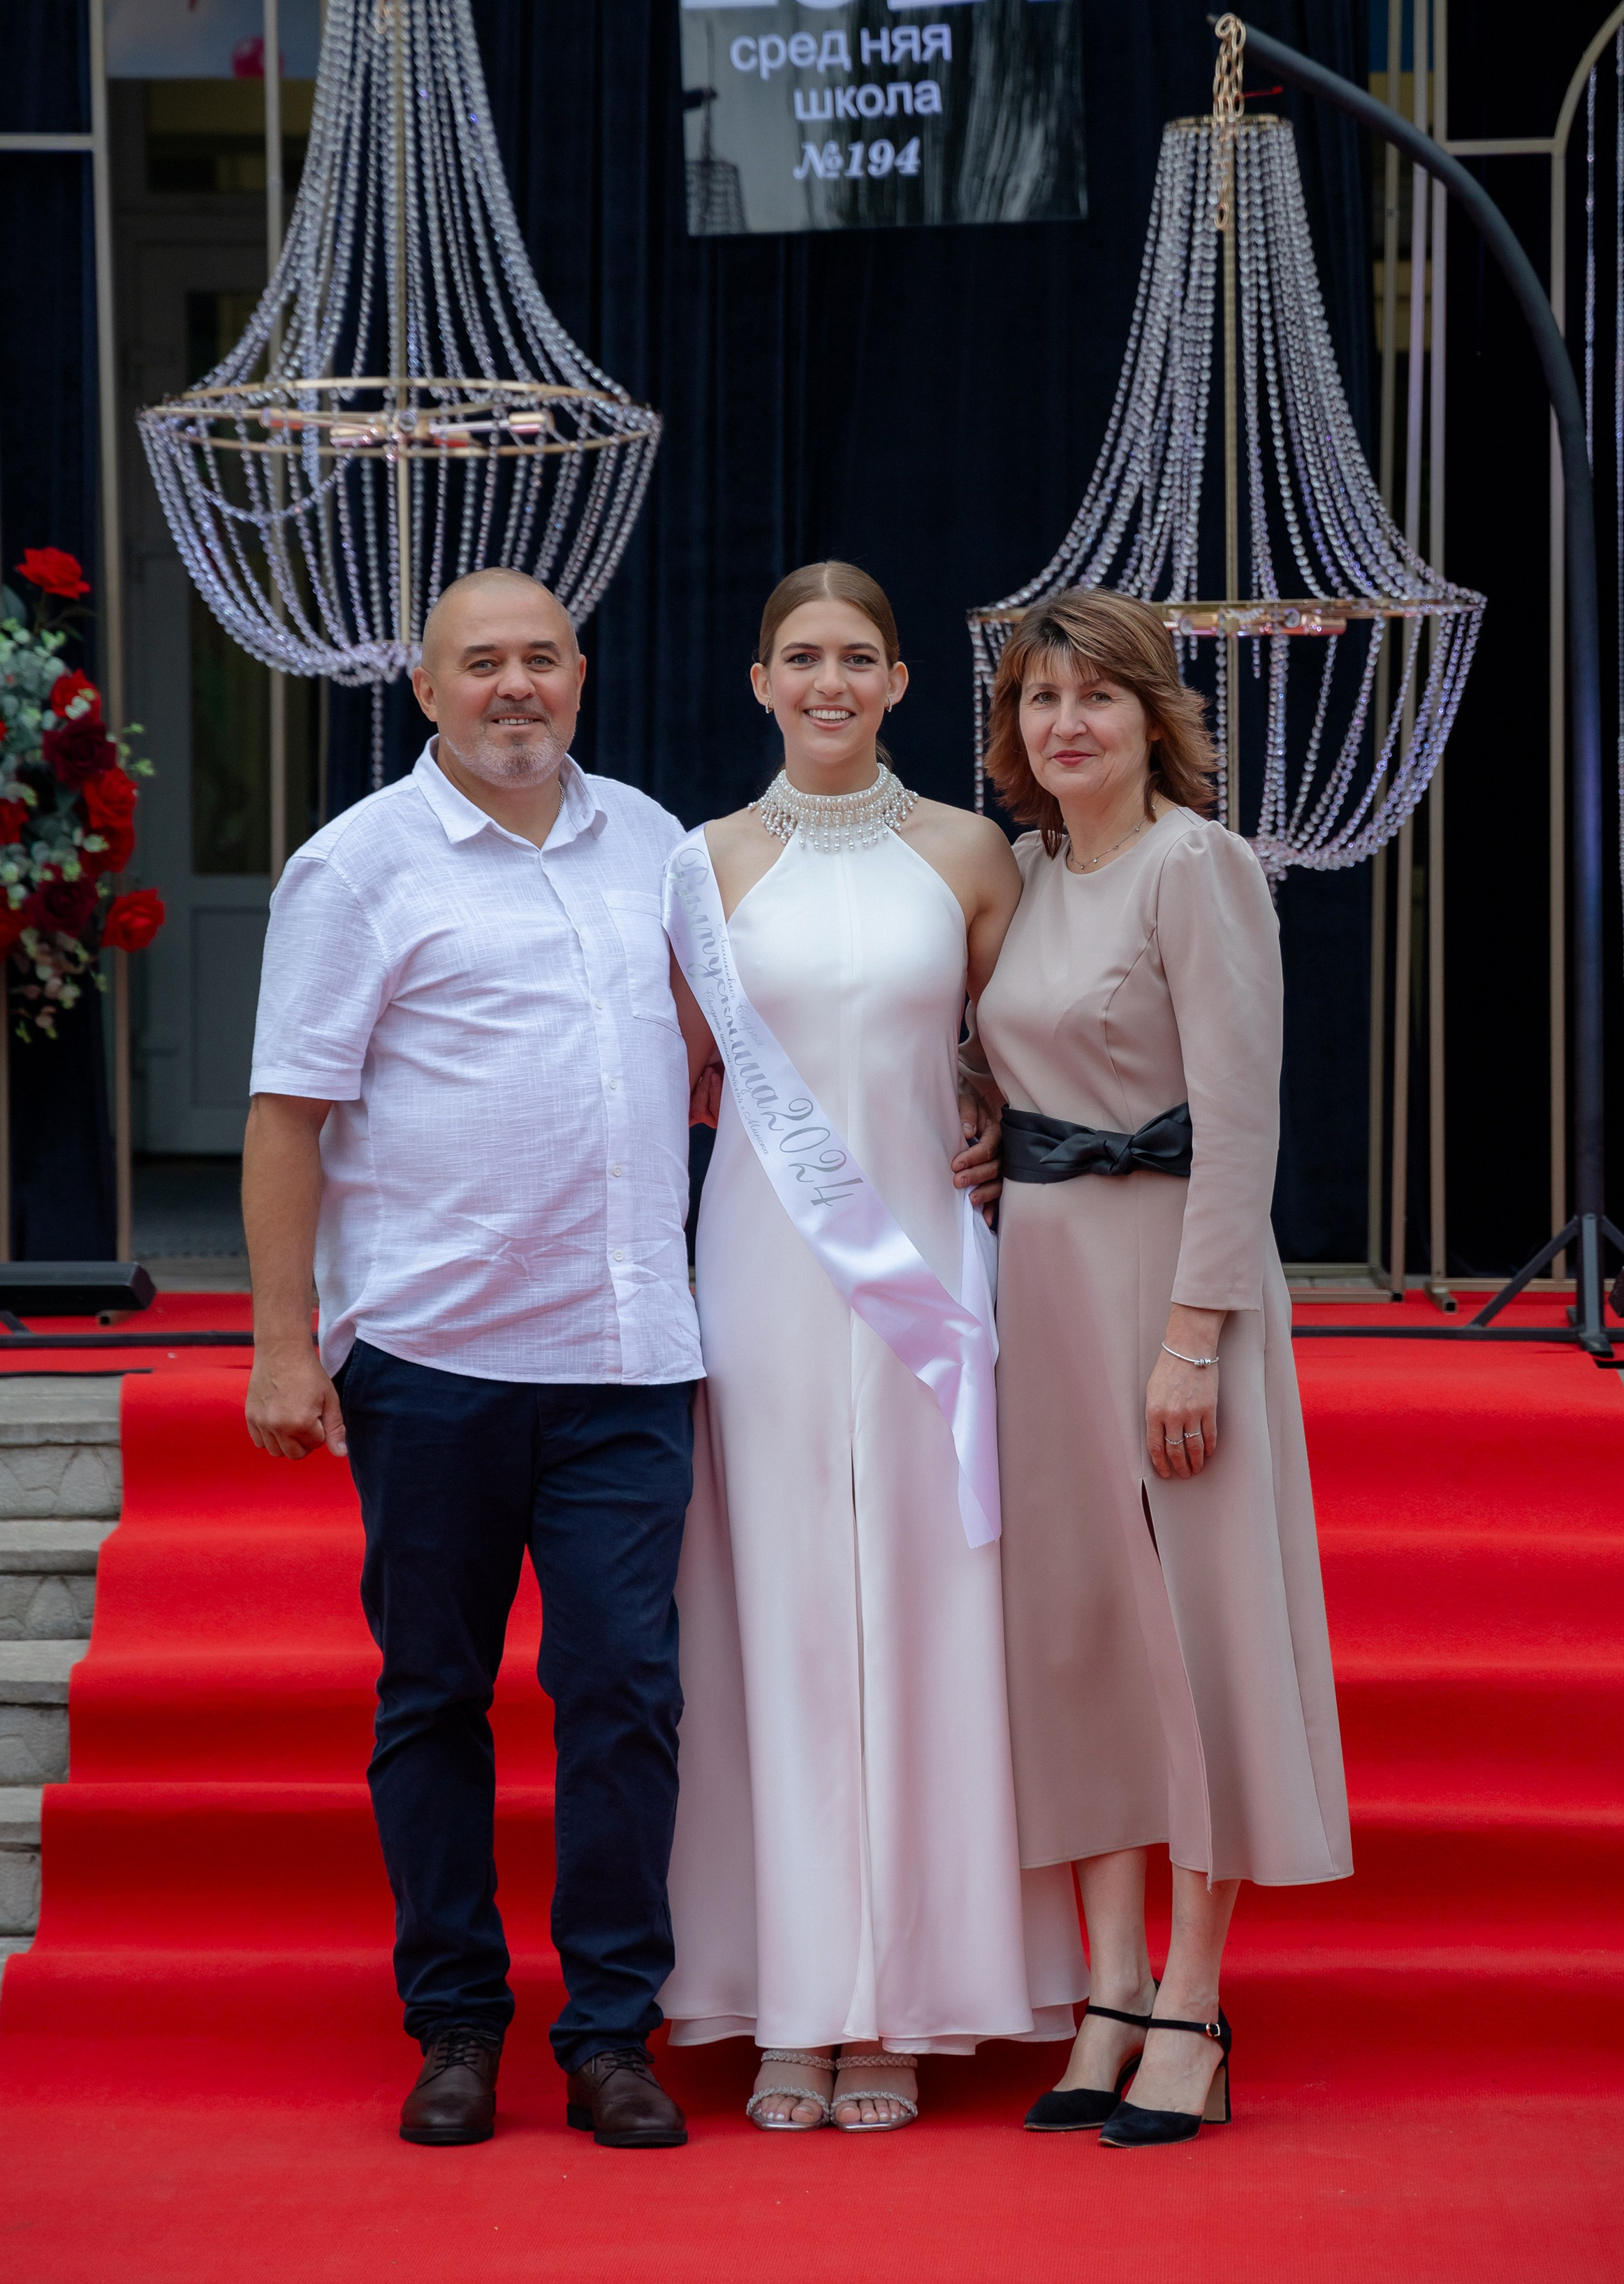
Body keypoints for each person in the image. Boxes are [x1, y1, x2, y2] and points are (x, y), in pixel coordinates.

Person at [242, 566, 715, 2153]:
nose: (515, 686)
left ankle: (608, 2036)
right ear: (425, 688)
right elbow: (286, 1115)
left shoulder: (657, 843)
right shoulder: (352, 866)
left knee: (623, 1693)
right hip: (433, 1359)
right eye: (481, 664)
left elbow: (725, 1063)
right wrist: (283, 1346)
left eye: (540, 659)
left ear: (580, 674)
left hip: (630, 1356)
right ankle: (455, 2026)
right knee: (433, 1696)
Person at [659, 560, 1085, 2130]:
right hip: (761, 1278)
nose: (827, 683)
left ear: (901, 682)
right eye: (798, 658)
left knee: (923, 1615)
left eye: (856, 658)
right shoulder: (699, 865)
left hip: (923, 1276)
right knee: (768, 1619)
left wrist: (982, 1117)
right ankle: (790, 1998)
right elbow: (687, 1076)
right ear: (757, 681)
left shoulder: (974, 853)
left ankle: (902, 1998)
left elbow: (1021, 1047)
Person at [973, 588, 1352, 2151]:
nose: (1065, 723)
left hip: (1168, 1290)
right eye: (1038, 699)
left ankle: (1194, 2001)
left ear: (1149, 719)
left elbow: (1240, 1113)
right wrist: (982, 1150)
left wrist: (1194, 1335)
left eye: (1096, 698)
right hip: (1040, 1284)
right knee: (1071, 1638)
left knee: (1191, 1640)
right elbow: (1014, 1069)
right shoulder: (1026, 874)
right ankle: (1106, 1988)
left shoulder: (1199, 866)